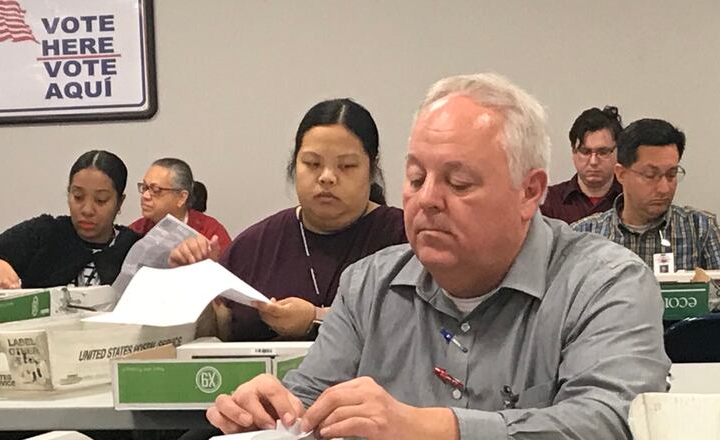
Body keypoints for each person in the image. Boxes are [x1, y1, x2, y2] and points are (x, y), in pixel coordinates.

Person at [201, 74, 669, 440]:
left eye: (458, 183)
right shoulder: (368, 285)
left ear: (530, 192)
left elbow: (614, 422)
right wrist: (272, 413)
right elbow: (309, 399)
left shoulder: (606, 282)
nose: (427, 199)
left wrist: (430, 428)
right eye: (416, 176)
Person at [170, 98, 406, 341]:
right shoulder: (254, 245)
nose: (327, 177)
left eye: (346, 166)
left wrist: (317, 317)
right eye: (312, 163)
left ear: (371, 167)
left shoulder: (403, 238)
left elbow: (415, 324)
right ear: (295, 163)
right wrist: (197, 284)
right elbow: (221, 335)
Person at [0, 150, 140, 289]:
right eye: (78, 196)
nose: (87, 210)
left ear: (119, 203)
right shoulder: (45, 232)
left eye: (101, 200)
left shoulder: (134, 247)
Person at [573, 118, 720, 270]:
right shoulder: (586, 235)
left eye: (671, 175)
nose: (664, 188)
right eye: (650, 175)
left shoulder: (700, 228)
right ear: (621, 174)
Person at [541, 106, 623, 223]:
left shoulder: (631, 200)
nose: (593, 161)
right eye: (585, 152)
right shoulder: (548, 202)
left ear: (618, 152)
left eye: (603, 152)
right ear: (573, 152)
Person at [129, 158, 232, 252]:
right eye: (144, 187)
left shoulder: (211, 233)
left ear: (182, 198)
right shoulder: (135, 231)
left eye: (156, 190)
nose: (145, 196)